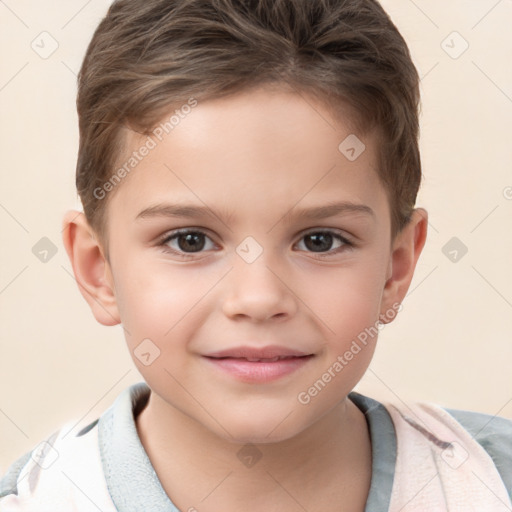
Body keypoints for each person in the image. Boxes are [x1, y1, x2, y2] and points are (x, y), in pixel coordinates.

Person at [1, 0, 511, 510]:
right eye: (190, 240)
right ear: (99, 270)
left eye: (320, 240)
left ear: (396, 269)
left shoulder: (490, 483)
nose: (259, 298)